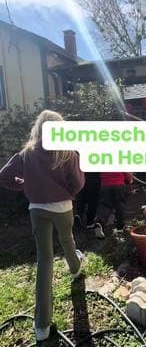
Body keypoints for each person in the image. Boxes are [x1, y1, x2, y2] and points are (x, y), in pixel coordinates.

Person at [0, 110, 85, 342]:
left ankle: (41, 327)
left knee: (44, 260)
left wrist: (25, 185)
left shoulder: (26, 154)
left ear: (37, 128)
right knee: (68, 240)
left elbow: (4, 177)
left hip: (37, 209)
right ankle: (76, 268)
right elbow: (78, 183)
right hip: (63, 207)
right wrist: (66, 191)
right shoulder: (67, 152)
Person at [95, 172, 133, 239]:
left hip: (105, 184)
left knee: (105, 205)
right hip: (118, 184)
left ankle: (100, 222)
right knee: (120, 206)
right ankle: (120, 228)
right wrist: (129, 179)